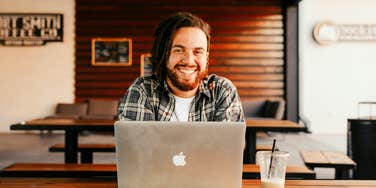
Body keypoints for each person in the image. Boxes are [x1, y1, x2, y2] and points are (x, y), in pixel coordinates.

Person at [117, 12, 244, 122]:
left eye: (197, 51)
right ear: (164, 54)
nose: (189, 61)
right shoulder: (143, 91)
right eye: (179, 50)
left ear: (206, 57)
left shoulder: (222, 91)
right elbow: (138, 149)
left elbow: (226, 149)